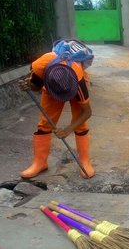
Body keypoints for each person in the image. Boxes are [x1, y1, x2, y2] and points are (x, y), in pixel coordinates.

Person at [18, 39, 96, 179]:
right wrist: (29, 86)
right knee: (45, 123)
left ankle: (85, 161)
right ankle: (39, 163)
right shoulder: (41, 66)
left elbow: (87, 112)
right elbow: (36, 86)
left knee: (80, 125)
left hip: (72, 83)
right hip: (51, 86)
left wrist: (68, 129)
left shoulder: (78, 82)